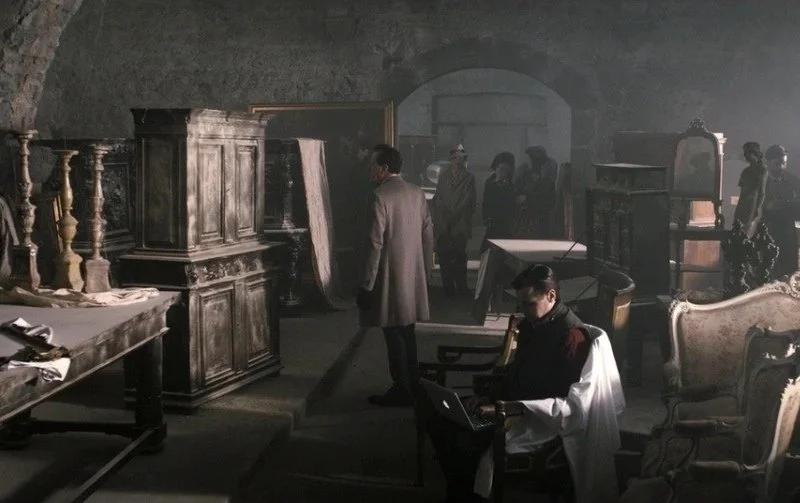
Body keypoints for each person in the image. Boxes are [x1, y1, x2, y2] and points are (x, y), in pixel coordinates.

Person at [421, 264, 590, 502]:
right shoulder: (533, 324)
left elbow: (559, 397)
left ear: (551, 296)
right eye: (520, 304)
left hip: (534, 418)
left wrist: (503, 408)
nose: (523, 311)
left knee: (461, 439)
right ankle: (462, 488)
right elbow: (515, 374)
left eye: (529, 303)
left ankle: (465, 494)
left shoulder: (571, 335)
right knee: (439, 416)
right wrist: (488, 398)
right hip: (508, 405)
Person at [358, 144, 434, 407]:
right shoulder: (417, 193)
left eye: (372, 165)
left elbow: (374, 243)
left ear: (384, 168)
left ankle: (401, 388)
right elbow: (428, 235)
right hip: (413, 274)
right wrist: (426, 272)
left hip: (389, 275)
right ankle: (413, 383)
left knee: (393, 332)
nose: (370, 169)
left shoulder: (380, 196)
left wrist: (366, 284)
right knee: (407, 331)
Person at [431, 143, 476, 297]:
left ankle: (461, 287)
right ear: (451, 159)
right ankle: (448, 289)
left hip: (459, 224)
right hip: (444, 224)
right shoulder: (443, 176)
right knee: (444, 256)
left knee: (459, 256)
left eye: (461, 157)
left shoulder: (469, 178)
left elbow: (468, 201)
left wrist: (453, 216)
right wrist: (443, 216)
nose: (458, 160)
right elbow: (438, 198)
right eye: (455, 157)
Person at [762, 144, 800, 277]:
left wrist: (779, 206)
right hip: (767, 233)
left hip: (788, 235)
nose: (781, 167)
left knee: (789, 273)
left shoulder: (793, 181)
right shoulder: (760, 182)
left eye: (784, 163)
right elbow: (762, 207)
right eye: (777, 164)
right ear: (767, 162)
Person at [513, 146, 558, 238]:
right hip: (524, 218)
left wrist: (527, 198)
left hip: (538, 219)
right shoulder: (525, 172)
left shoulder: (546, 177)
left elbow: (546, 197)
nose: (526, 161)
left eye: (528, 158)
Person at [480, 152, 516, 253]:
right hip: (492, 222)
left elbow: (511, 204)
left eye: (506, 171)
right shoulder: (490, 183)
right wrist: (486, 218)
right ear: (495, 168)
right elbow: (485, 202)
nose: (503, 173)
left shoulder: (511, 186)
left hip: (505, 223)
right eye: (501, 169)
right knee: (487, 250)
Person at [733, 142, 768, 237]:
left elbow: (762, 192)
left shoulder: (762, 169)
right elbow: (742, 192)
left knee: (748, 232)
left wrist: (758, 208)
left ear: (753, 153)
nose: (745, 156)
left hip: (752, 204)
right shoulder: (745, 171)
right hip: (743, 203)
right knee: (739, 230)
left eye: (746, 153)